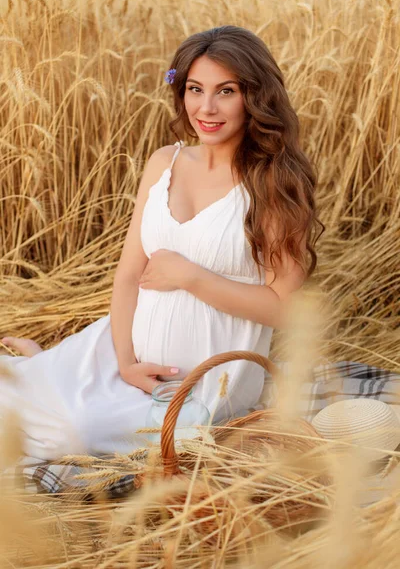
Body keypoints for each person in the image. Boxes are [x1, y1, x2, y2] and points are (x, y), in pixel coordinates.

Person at [0, 25, 323, 462]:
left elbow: (284, 308)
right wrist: (125, 361)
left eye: (225, 91)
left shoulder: (274, 182)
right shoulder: (164, 162)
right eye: (194, 89)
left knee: (70, 437)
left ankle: (48, 373)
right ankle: (50, 365)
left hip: (204, 385)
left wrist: (191, 276)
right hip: (119, 353)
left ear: (255, 96)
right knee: (11, 406)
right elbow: (129, 273)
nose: (205, 108)